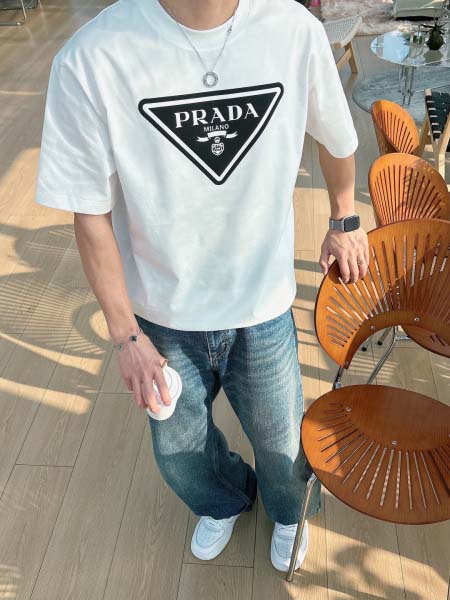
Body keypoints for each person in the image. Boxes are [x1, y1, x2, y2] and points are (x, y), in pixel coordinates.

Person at [35, 0, 369, 572]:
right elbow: (89, 211)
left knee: (282, 442)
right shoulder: (92, 56)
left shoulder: (293, 31)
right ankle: (226, 498)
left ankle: (289, 512)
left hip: (262, 301)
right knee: (180, 454)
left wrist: (344, 217)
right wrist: (125, 336)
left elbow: (337, 135)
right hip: (160, 311)